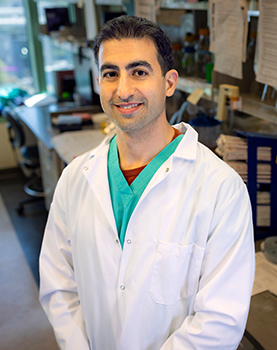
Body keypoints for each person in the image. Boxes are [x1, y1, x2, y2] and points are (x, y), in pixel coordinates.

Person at [39, 15, 255, 350]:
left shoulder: (220, 188)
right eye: (111, 74)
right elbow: (59, 285)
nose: (123, 90)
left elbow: (220, 319)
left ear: (169, 83)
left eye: (139, 72)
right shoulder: (76, 179)